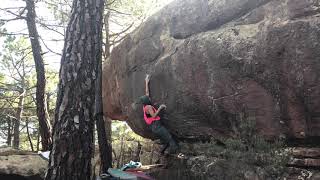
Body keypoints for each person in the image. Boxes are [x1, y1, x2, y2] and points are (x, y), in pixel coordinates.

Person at [139, 74, 178, 154]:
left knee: (164, 139)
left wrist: (146, 81)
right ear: (147, 101)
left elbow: (147, 93)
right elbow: (154, 116)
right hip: (156, 126)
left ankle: (162, 153)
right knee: (169, 137)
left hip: (154, 126)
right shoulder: (148, 107)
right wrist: (160, 107)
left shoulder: (144, 105)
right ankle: (176, 151)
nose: (149, 98)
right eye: (148, 98)